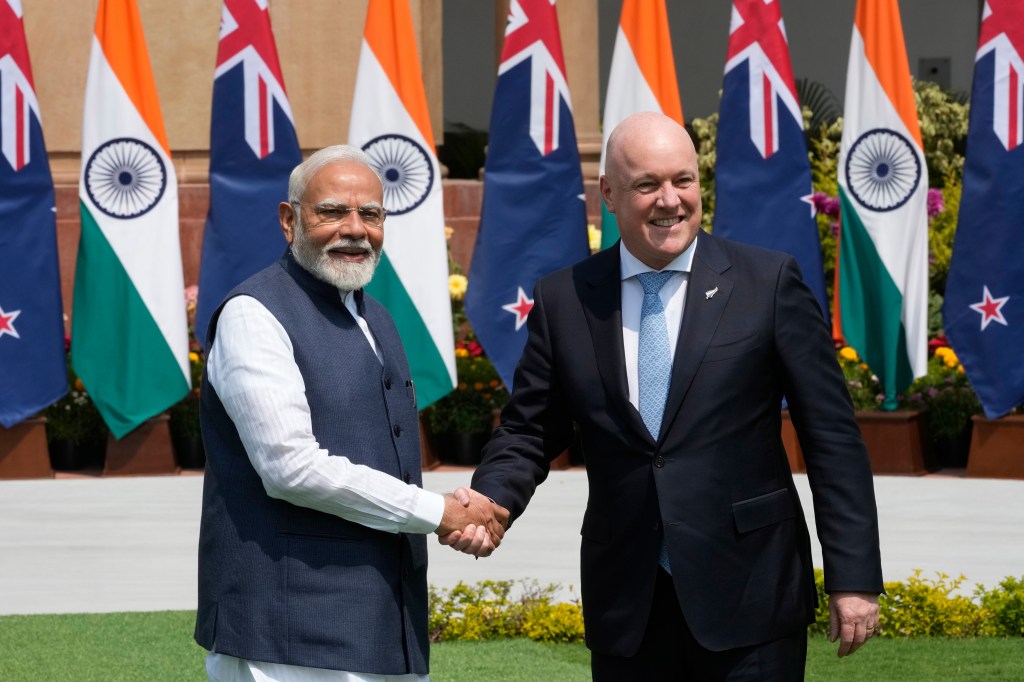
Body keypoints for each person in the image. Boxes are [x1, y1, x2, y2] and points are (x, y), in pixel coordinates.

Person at [443, 112, 883, 680]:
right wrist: (491, 500)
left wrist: (854, 576)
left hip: (752, 597)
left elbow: (832, 438)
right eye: (647, 185)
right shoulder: (565, 299)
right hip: (628, 603)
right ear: (608, 193)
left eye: (683, 180)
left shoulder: (768, 284)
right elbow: (529, 430)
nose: (670, 201)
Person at [194, 145, 508, 681]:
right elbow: (291, 467)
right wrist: (441, 513)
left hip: (381, 622)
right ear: (289, 219)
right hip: (286, 630)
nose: (356, 228)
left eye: (372, 214)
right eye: (334, 211)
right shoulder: (253, 316)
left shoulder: (376, 316)